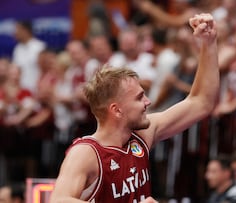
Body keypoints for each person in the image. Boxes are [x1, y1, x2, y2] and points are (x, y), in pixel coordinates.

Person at [49, 13, 219, 203]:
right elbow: (58, 200)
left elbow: (201, 102)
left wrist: (209, 43)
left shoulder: (141, 135)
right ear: (117, 110)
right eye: (139, 97)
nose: (148, 102)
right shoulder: (86, 152)